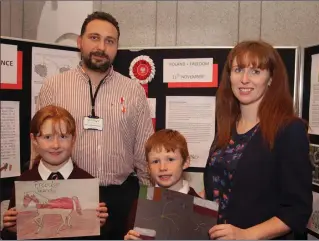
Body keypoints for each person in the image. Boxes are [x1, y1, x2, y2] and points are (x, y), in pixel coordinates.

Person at [34, 11, 154, 239]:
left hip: (122, 199)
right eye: (94, 38)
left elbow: (144, 155)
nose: (101, 47)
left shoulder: (133, 91)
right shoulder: (54, 87)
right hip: (68, 196)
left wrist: (150, 207)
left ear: (117, 47)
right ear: (79, 42)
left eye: (110, 41)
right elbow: (39, 148)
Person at [203, 40, 313, 240]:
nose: (245, 79)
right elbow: (220, 187)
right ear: (230, 76)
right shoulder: (225, 127)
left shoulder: (289, 129)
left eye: (255, 71)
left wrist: (247, 235)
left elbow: (297, 209)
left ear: (270, 78)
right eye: (238, 70)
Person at [1, 105, 108, 240]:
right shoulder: (24, 182)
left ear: (73, 138)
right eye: (47, 137)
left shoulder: (88, 183)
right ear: (34, 140)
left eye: (63, 136)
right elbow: (12, 235)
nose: (56, 145)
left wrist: (101, 226)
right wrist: (11, 230)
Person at [124, 129, 200, 240]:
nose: (163, 167)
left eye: (170, 159)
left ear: (186, 162)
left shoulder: (200, 209)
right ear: (148, 167)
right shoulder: (140, 205)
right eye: (155, 161)